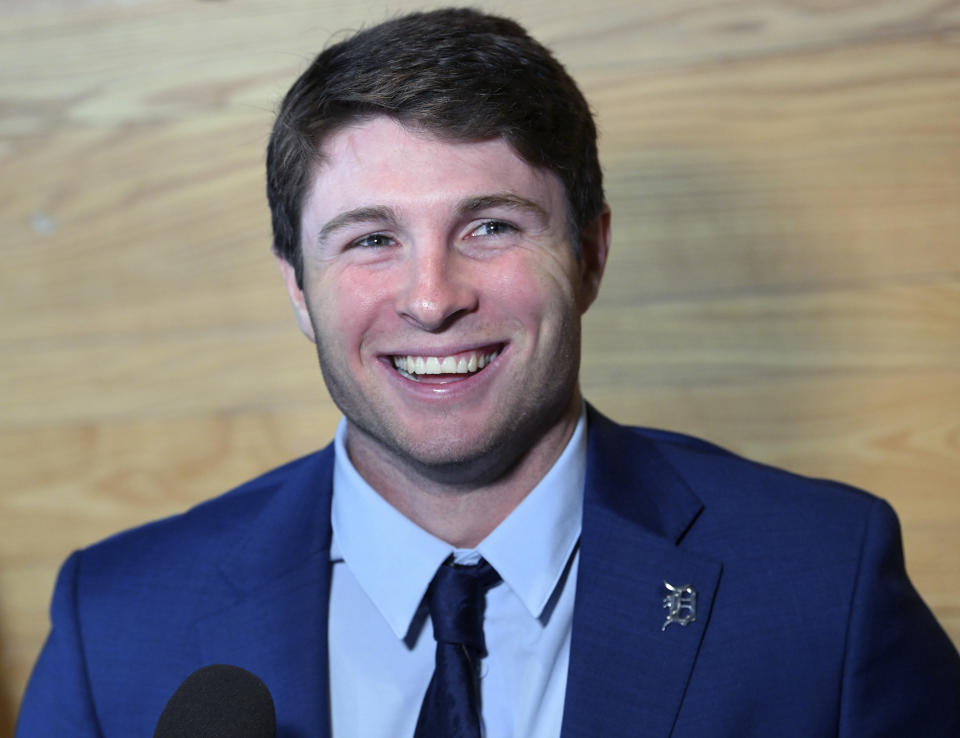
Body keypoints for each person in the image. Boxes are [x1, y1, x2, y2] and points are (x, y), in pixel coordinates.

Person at [16, 8, 960, 737]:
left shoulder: (825, 582)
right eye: (371, 239)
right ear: (299, 291)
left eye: (491, 227)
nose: (431, 299)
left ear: (590, 255)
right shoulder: (118, 627)